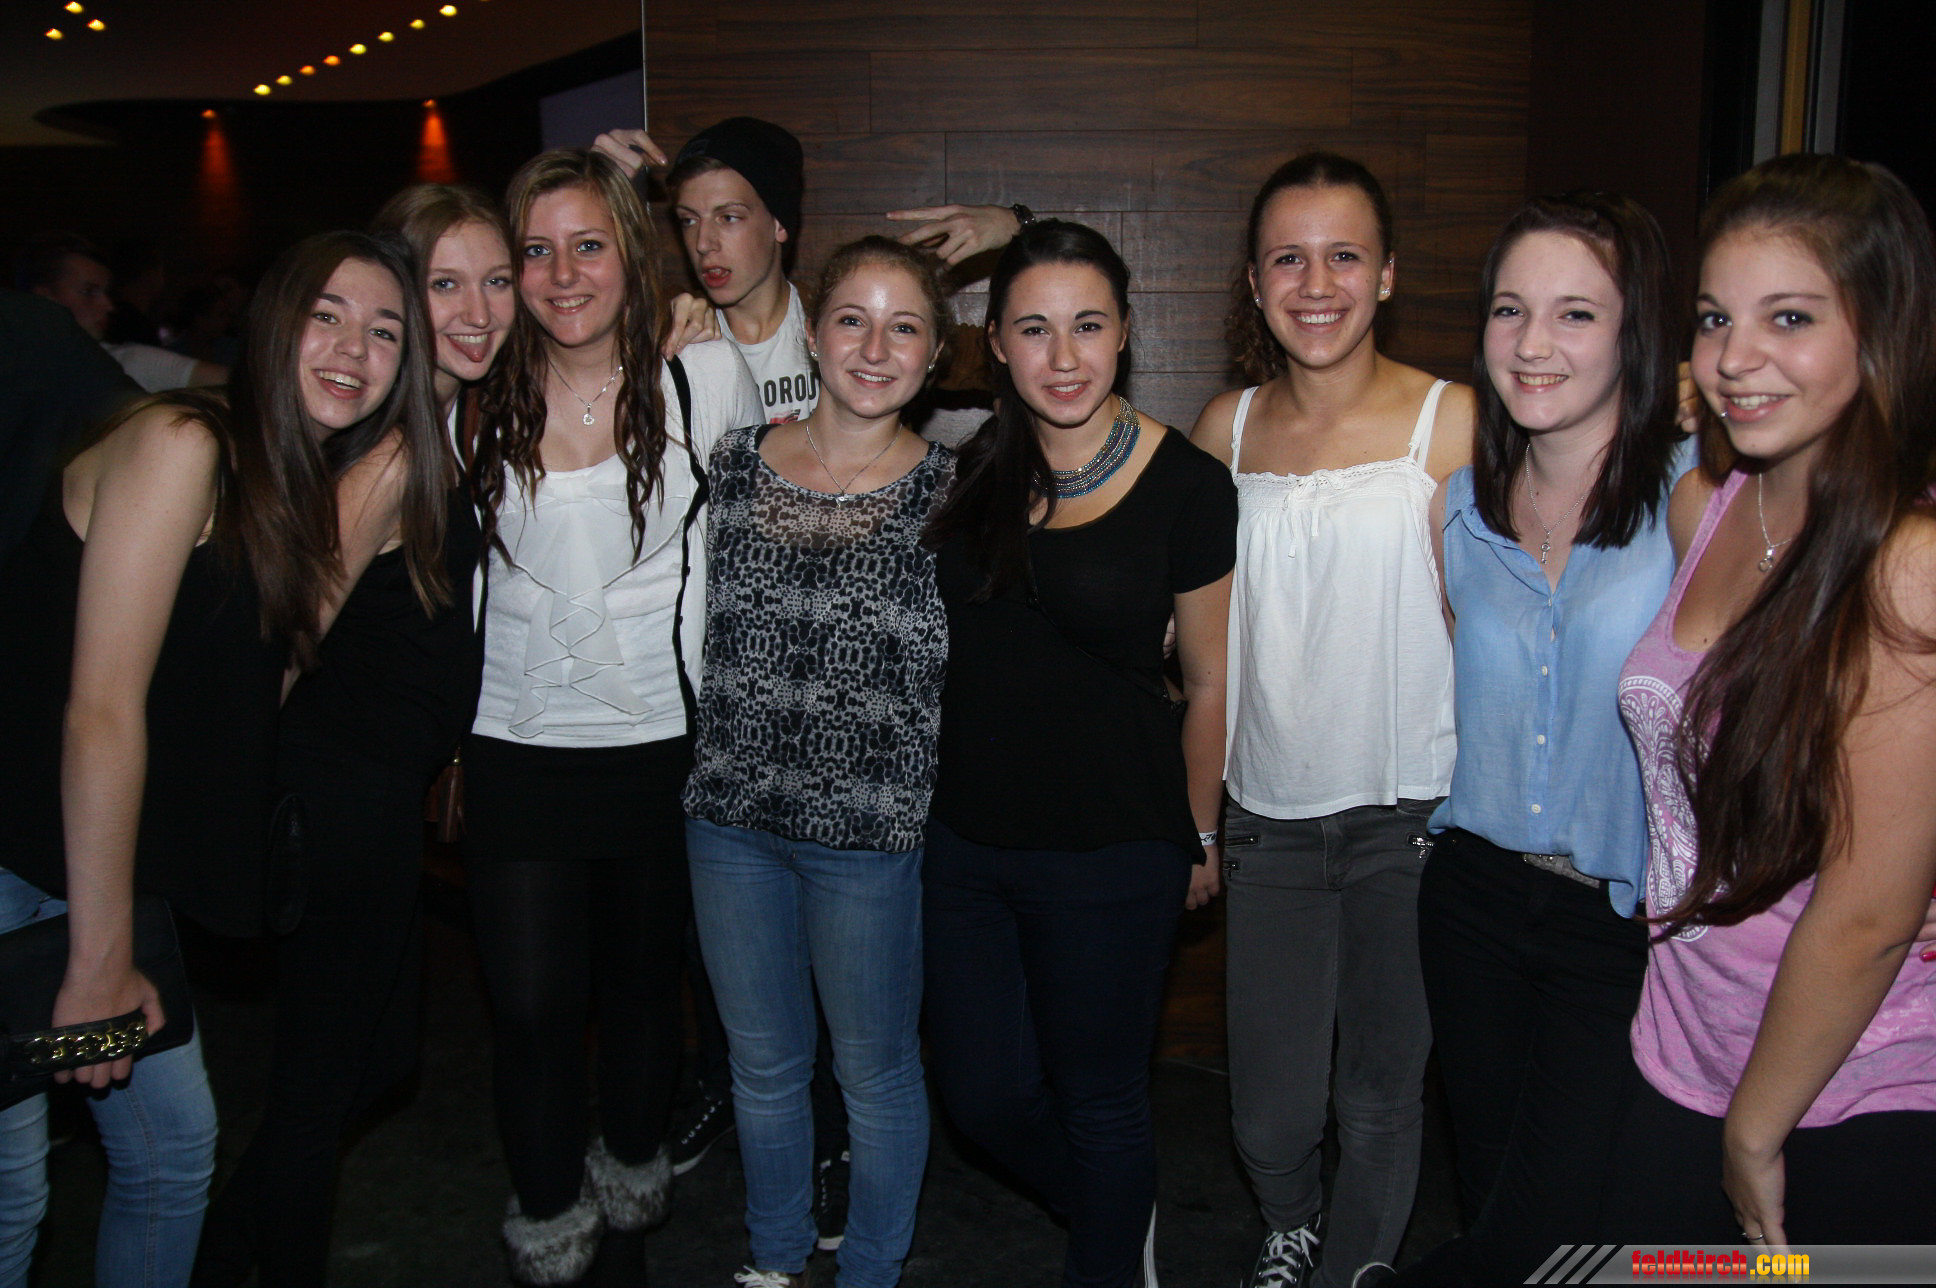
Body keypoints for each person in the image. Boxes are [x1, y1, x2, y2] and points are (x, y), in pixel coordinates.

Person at [0, 229, 432, 1288]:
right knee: (15, 1188)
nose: (354, 348)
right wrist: (101, 958)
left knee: (170, 1155)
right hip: (20, 863)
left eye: (385, 331)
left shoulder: (285, 491)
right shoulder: (182, 441)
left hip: (85, 870)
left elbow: (245, 696)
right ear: (274, 324)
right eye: (327, 315)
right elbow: (102, 713)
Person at [1601, 153, 1936, 1245]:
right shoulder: (1706, 505)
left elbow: (1870, 913)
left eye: (1788, 317)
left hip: (1843, 1092)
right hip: (1682, 1044)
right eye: (1714, 318)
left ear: (1879, 333)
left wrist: (1754, 1131)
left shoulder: (1907, 562)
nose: (1734, 358)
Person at [190, 185, 508, 1288]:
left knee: (374, 1062)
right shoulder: (390, 455)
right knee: (324, 1084)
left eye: (496, 281)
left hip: (370, 801)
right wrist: (220, 823)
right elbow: (285, 644)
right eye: (445, 285)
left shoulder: (439, 427)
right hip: (338, 804)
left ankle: (218, 1252)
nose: (477, 311)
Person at [463, 147, 761, 1287]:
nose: (562, 274)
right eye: (536, 251)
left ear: (632, 256)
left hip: (658, 753)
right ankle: (548, 1222)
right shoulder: (469, 395)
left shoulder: (705, 379)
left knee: (643, 1000)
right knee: (533, 1014)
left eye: (589, 245)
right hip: (513, 750)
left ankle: (632, 1206)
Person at [1381, 193, 1689, 1287]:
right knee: (1494, 1186)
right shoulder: (1456, 508)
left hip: (1617, 925)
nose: (1532, 343)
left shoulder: (1697, 496)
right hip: (1470, 898)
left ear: (1633, 333)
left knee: (1546, 1234)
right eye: (1510, 309)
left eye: (1576, 313)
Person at [922, 219, 1235, 1288]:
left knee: (1101, 1102)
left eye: (1088, 326)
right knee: (982, 1097)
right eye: (1034, 329)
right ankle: (1115, 1207)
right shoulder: (972, 469)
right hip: (967, 844)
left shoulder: (1188, 485)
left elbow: (1209, 683)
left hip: (1112, 845)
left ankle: (1108, 1242)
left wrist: (1200, 832)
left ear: (1126, 332)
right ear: (996, 345)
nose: (1064, 356)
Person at [1187, 152, 1473, 1288]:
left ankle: (1355, 1267)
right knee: (1268, 1110)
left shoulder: (1452, 421)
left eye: (1344, 255)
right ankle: (1290, 1221)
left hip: (1411, 812)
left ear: (1387, 273)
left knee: (1381, 1091)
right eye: (1288, 259)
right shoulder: (1225, 426)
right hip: (1265, 814)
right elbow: (1190, 637)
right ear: (1256, 283)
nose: (1317, 284)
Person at [684, 235, 955, 1288]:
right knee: (762, 1070)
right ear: (812, 332)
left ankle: (871, 1272)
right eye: (852, 319)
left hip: (870, 842)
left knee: (875, 1077)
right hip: (728, 824)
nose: (874, 348)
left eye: (904, 327)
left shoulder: (956, 495)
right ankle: (774, 1257)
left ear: (935, 355)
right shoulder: (729, 462)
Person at [14, 234, 228, 392]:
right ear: (43, 299)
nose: (108, 305)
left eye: (105, 292)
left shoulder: (124, 363)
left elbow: (235, 383)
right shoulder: (14, 371)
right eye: (88, 292)